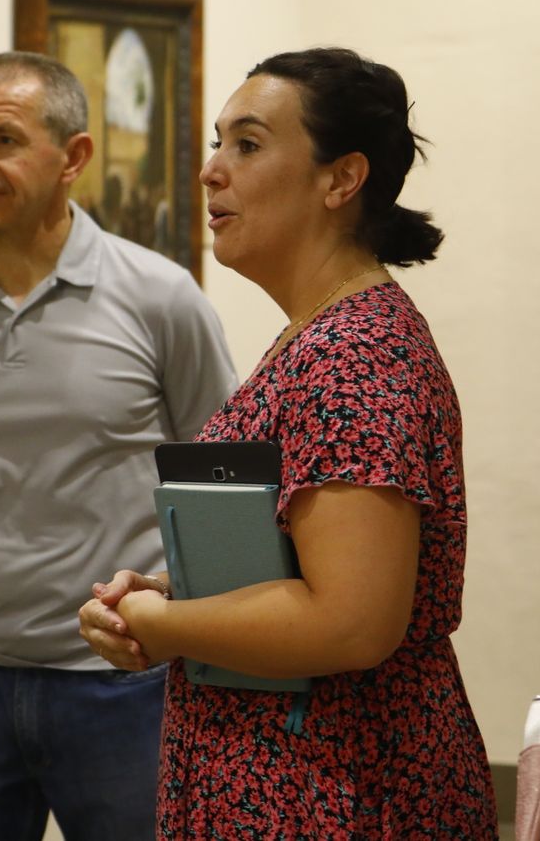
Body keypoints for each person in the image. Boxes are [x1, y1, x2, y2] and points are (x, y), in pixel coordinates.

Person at [79, 47, 498, 837]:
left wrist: (163, 627)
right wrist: (168, 600)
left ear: (341, 179)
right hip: (291, 776)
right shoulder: (319, 334)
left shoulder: (357, 353)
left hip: (338, 788)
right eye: (217, 142)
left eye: (247, 144)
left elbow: (350, 621)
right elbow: (297, 569)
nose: (210, 170)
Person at [0, 51, 235, 841]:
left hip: (125, 675)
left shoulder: (160, 296)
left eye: (2, 139)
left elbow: (217, 482)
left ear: (73, 158)